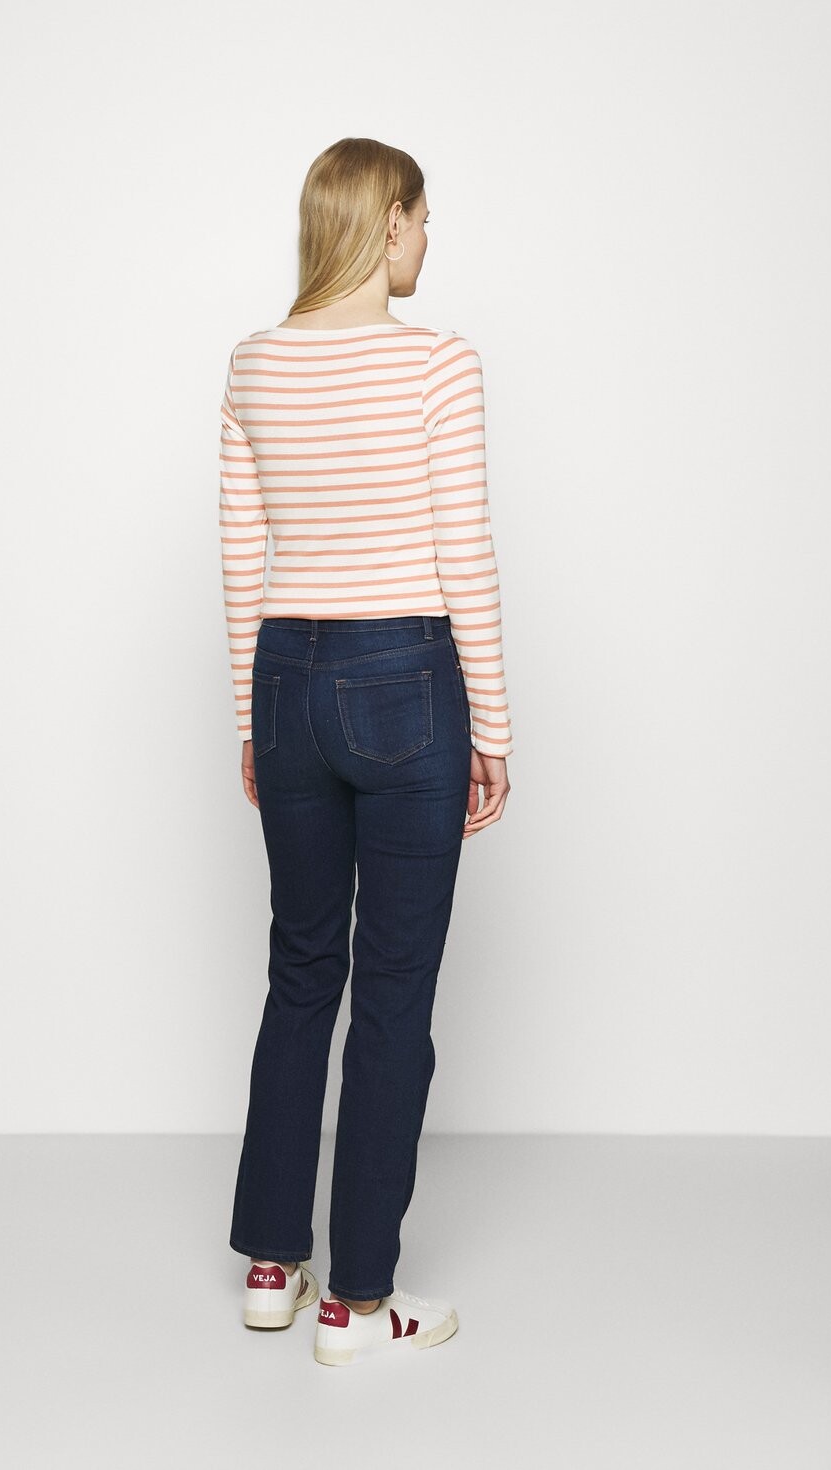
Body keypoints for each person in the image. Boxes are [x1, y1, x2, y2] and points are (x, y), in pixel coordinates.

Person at [218, 137, 514, 1366]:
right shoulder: (438, 362)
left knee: (301, 970)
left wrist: (253, 716)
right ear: (387, 221)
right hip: (403, 679)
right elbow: (463, 550)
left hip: (286, 673)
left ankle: (270, 1266)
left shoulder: (251, 364)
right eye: (423, 218)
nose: (429, 239)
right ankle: (357, 1298)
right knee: (392, 988)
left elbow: (243, 554)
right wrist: (492, 727)